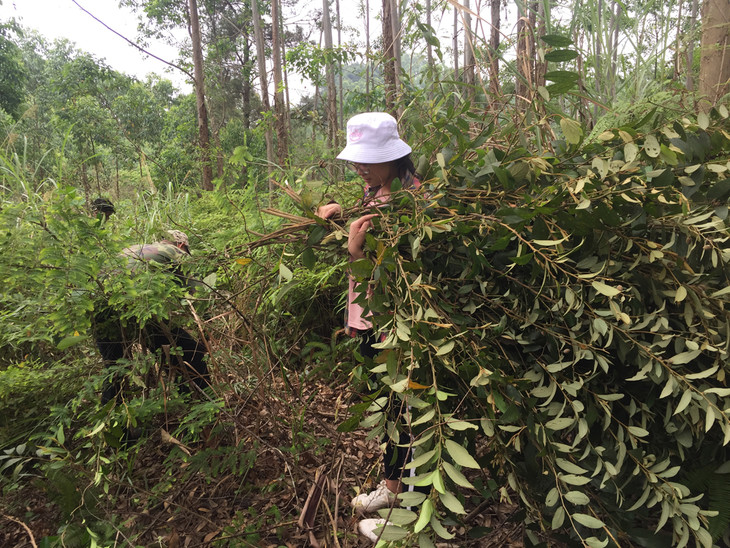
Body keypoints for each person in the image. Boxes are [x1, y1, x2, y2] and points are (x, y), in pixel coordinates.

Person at [317, 112, 420, 543]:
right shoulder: (376, 189)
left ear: (395, 158)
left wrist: (355, 253)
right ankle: (393, 488)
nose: (360, 167)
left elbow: (402, 278)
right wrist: (339, 217)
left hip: (397, 324)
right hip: (369, 321)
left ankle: (411, 523)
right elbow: (365, 218)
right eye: (356, 160)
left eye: (368, 160)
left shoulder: (411, 203)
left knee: (412, 413)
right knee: (389, 409)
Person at [93, 229, 210, 406]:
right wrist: (204, 330)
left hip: (99, 307)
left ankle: (115, 429)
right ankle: (203, 407)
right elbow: (196, 296)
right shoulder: (177, 253)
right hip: (135, 310)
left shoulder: (134, 249)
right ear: (181, 245)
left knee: (115, 369)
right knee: (191, 352)